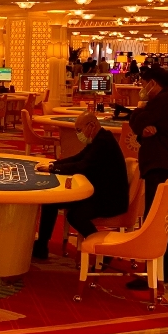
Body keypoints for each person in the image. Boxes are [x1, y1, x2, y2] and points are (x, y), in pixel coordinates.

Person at [127, 65, 168, 288]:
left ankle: (156, 274)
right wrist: (144, 127)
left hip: (165, 169)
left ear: (153, 84)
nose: (142, 87)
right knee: (162, 219)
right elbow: (142, 125)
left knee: (158, 220)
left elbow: (136, 121)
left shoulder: (164, 101)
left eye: (144, 83)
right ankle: (158, 272)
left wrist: (139, 112)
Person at [32, 110, 129, 259]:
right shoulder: (98, 139)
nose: (78, 134)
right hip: (98, 192)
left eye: (79, 130)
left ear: (91, 126)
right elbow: (78, 158)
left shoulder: (103, 142)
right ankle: (42, 246)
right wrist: (54, 164)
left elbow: (82, 166)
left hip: (109, 199)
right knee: (51, 202)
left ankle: (102, 251)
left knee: (76, 215)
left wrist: (53, 168)